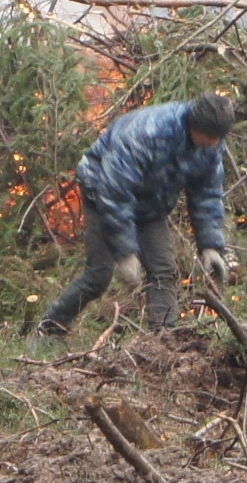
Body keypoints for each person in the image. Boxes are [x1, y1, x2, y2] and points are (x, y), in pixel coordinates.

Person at [35, 92, 235, 340]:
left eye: (218, 139)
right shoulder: (148, 133)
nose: (214, 144)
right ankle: (48, 331)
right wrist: (125, 252)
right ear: (195, 126)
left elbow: (207, 193)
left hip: (150, 204)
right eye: (210, 137)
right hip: (103, 193)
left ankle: (164, 343)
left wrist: (210, 245)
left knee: (163, 272)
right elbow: (115, 193)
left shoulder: (210, 144)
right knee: (98, 276)